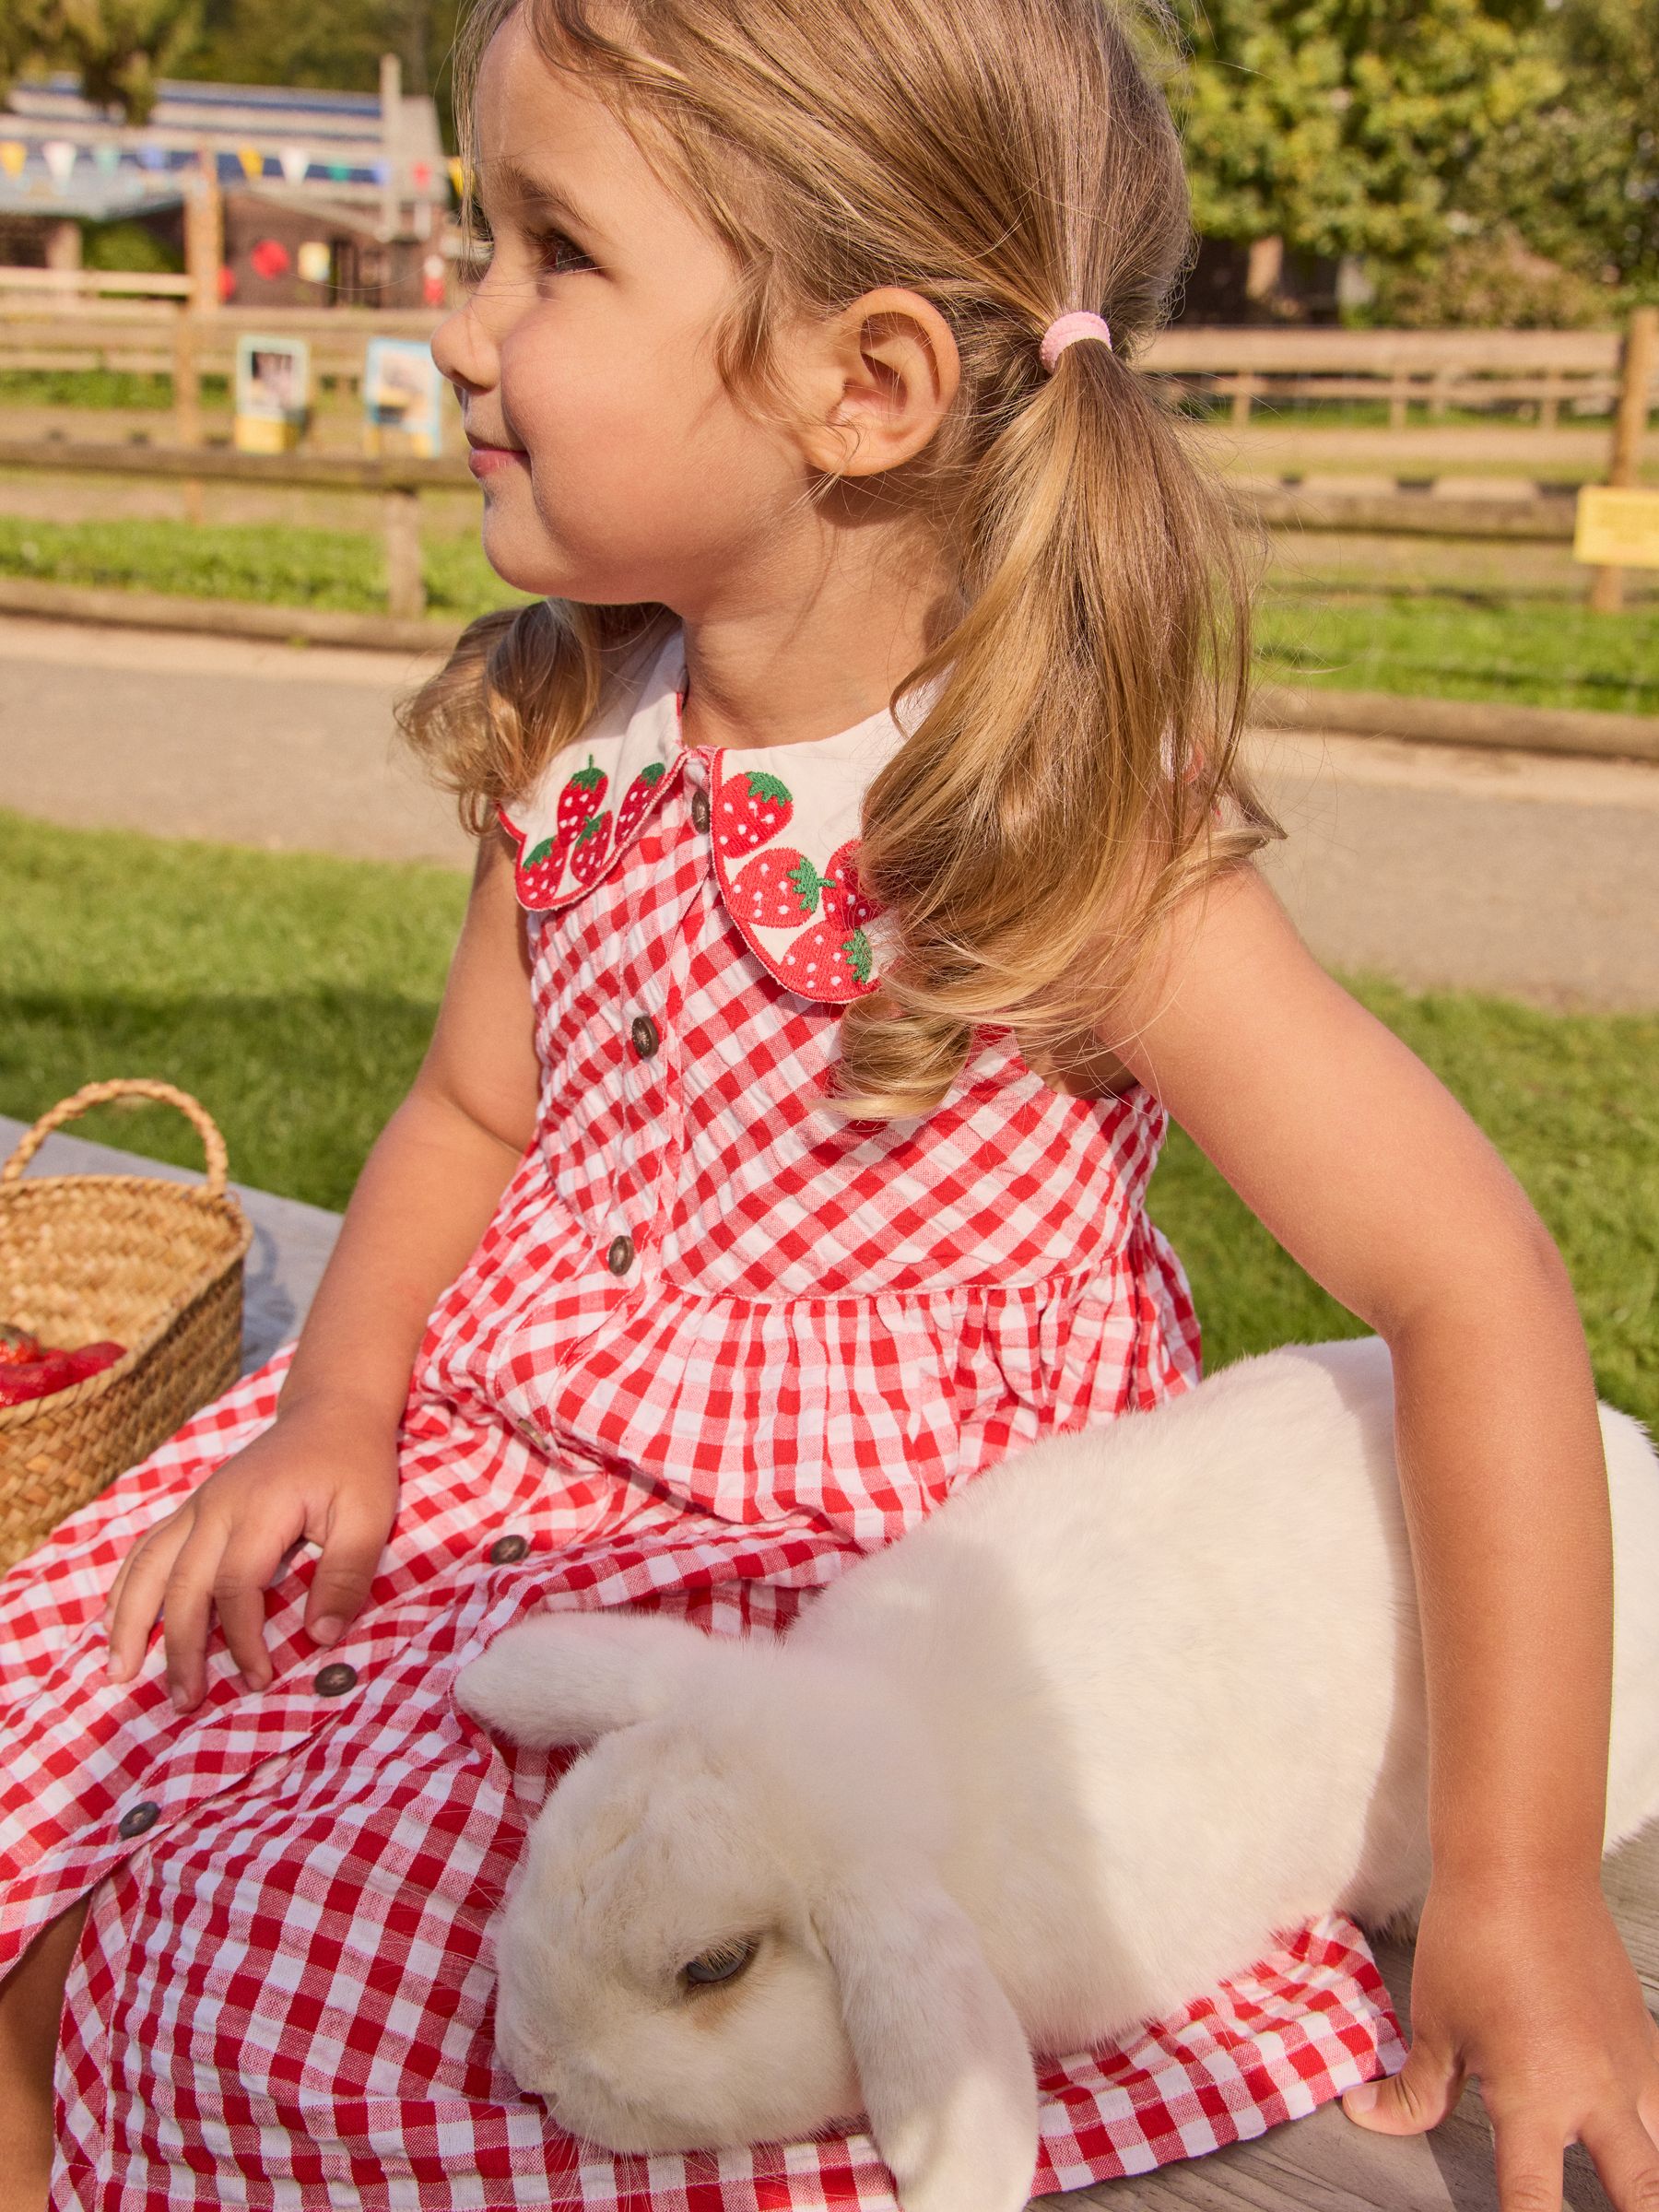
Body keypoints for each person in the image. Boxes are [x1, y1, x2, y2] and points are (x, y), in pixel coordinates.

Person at [5, 0, 1656, 2206]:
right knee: (77, 1735)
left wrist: (1524, 1891)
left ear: (859, 386)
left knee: (340, 1991)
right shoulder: (592, 724)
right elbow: (467, 1118)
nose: (464, 323)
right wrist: (343, 1406)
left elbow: (1469, 1280)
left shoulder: (1045, 828)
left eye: (551, 252)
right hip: (507, 1474)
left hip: (848, 1585)